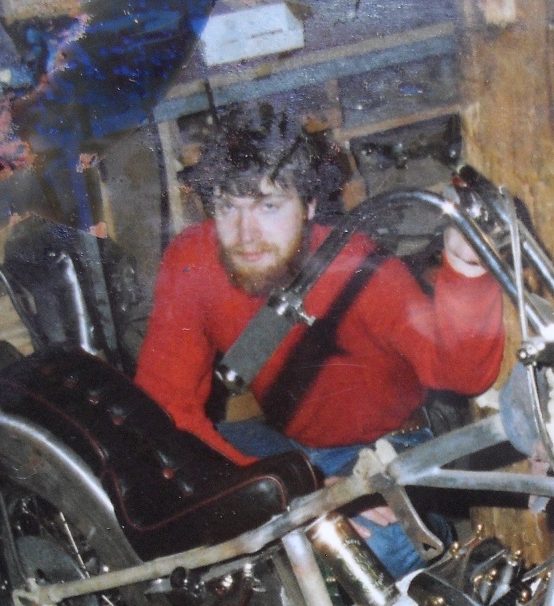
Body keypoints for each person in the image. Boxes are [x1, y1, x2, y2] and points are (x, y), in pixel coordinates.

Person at [135, 104, 505, 574]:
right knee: (172, 479)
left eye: (269, 206)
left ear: (309, 205)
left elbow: (460, 372)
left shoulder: (361, 266)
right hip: (286, 448)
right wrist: (294, 490)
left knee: (382, 546)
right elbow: (164, 407)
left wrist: (467, 268)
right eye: (228, 207)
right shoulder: (193, 258)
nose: (246, 234)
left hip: (382, 447)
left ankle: (428, 557)